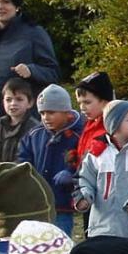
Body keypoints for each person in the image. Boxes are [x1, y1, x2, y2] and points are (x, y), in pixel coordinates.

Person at [76, 99, 128, 241]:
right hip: (102, 228)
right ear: (114, 123)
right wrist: (85, 197)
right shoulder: (97, 154)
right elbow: (84, 179)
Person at [20, 84, 83, 233]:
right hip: (37, 202)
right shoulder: (34, 134)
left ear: (66, 113)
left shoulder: (79, 135)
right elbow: (23, 157)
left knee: (60, 243)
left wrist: (72, 173)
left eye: (51, 112)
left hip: (62, 202)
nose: (45, 118)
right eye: (42, 113)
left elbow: (84, 161)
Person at [0, 77, 39, 167]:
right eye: (8, 100)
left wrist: (8, 172)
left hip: (21, 177)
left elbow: (29, 159)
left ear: (30, 103)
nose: (13, 103)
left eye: (19, 99)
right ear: (3, 102)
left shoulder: (34, 129)